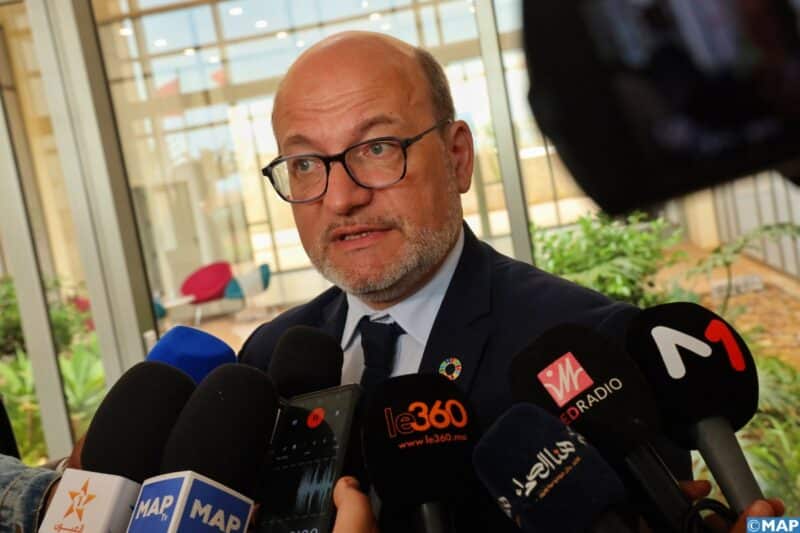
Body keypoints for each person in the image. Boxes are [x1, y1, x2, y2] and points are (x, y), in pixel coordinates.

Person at [238, 31, 782, 531]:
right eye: (304, 163)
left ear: (457, 157)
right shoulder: (265, 367)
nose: (341, 198)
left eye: (377, 148)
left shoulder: (594, 351)